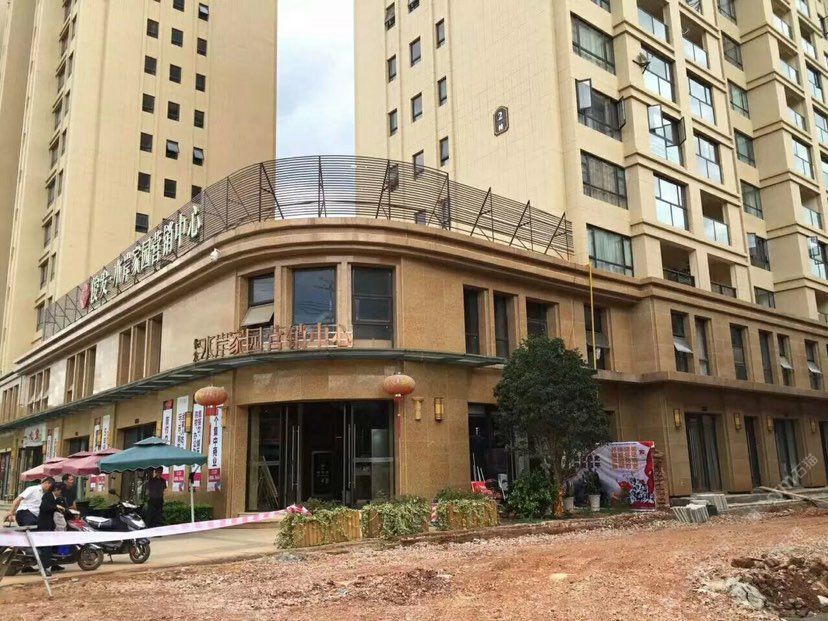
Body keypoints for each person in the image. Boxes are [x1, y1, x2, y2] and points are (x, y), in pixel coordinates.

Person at [37, 479, 66, 576]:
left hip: (51, 525)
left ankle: (52, 564)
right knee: (47, 547)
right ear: (56, 489)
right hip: (44, 525)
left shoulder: (56, 498)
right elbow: (44, 507)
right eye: (61, 491)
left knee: (51, 546)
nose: (61, 493)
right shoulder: (48, 496)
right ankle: (44, 568)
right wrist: (56, 508)